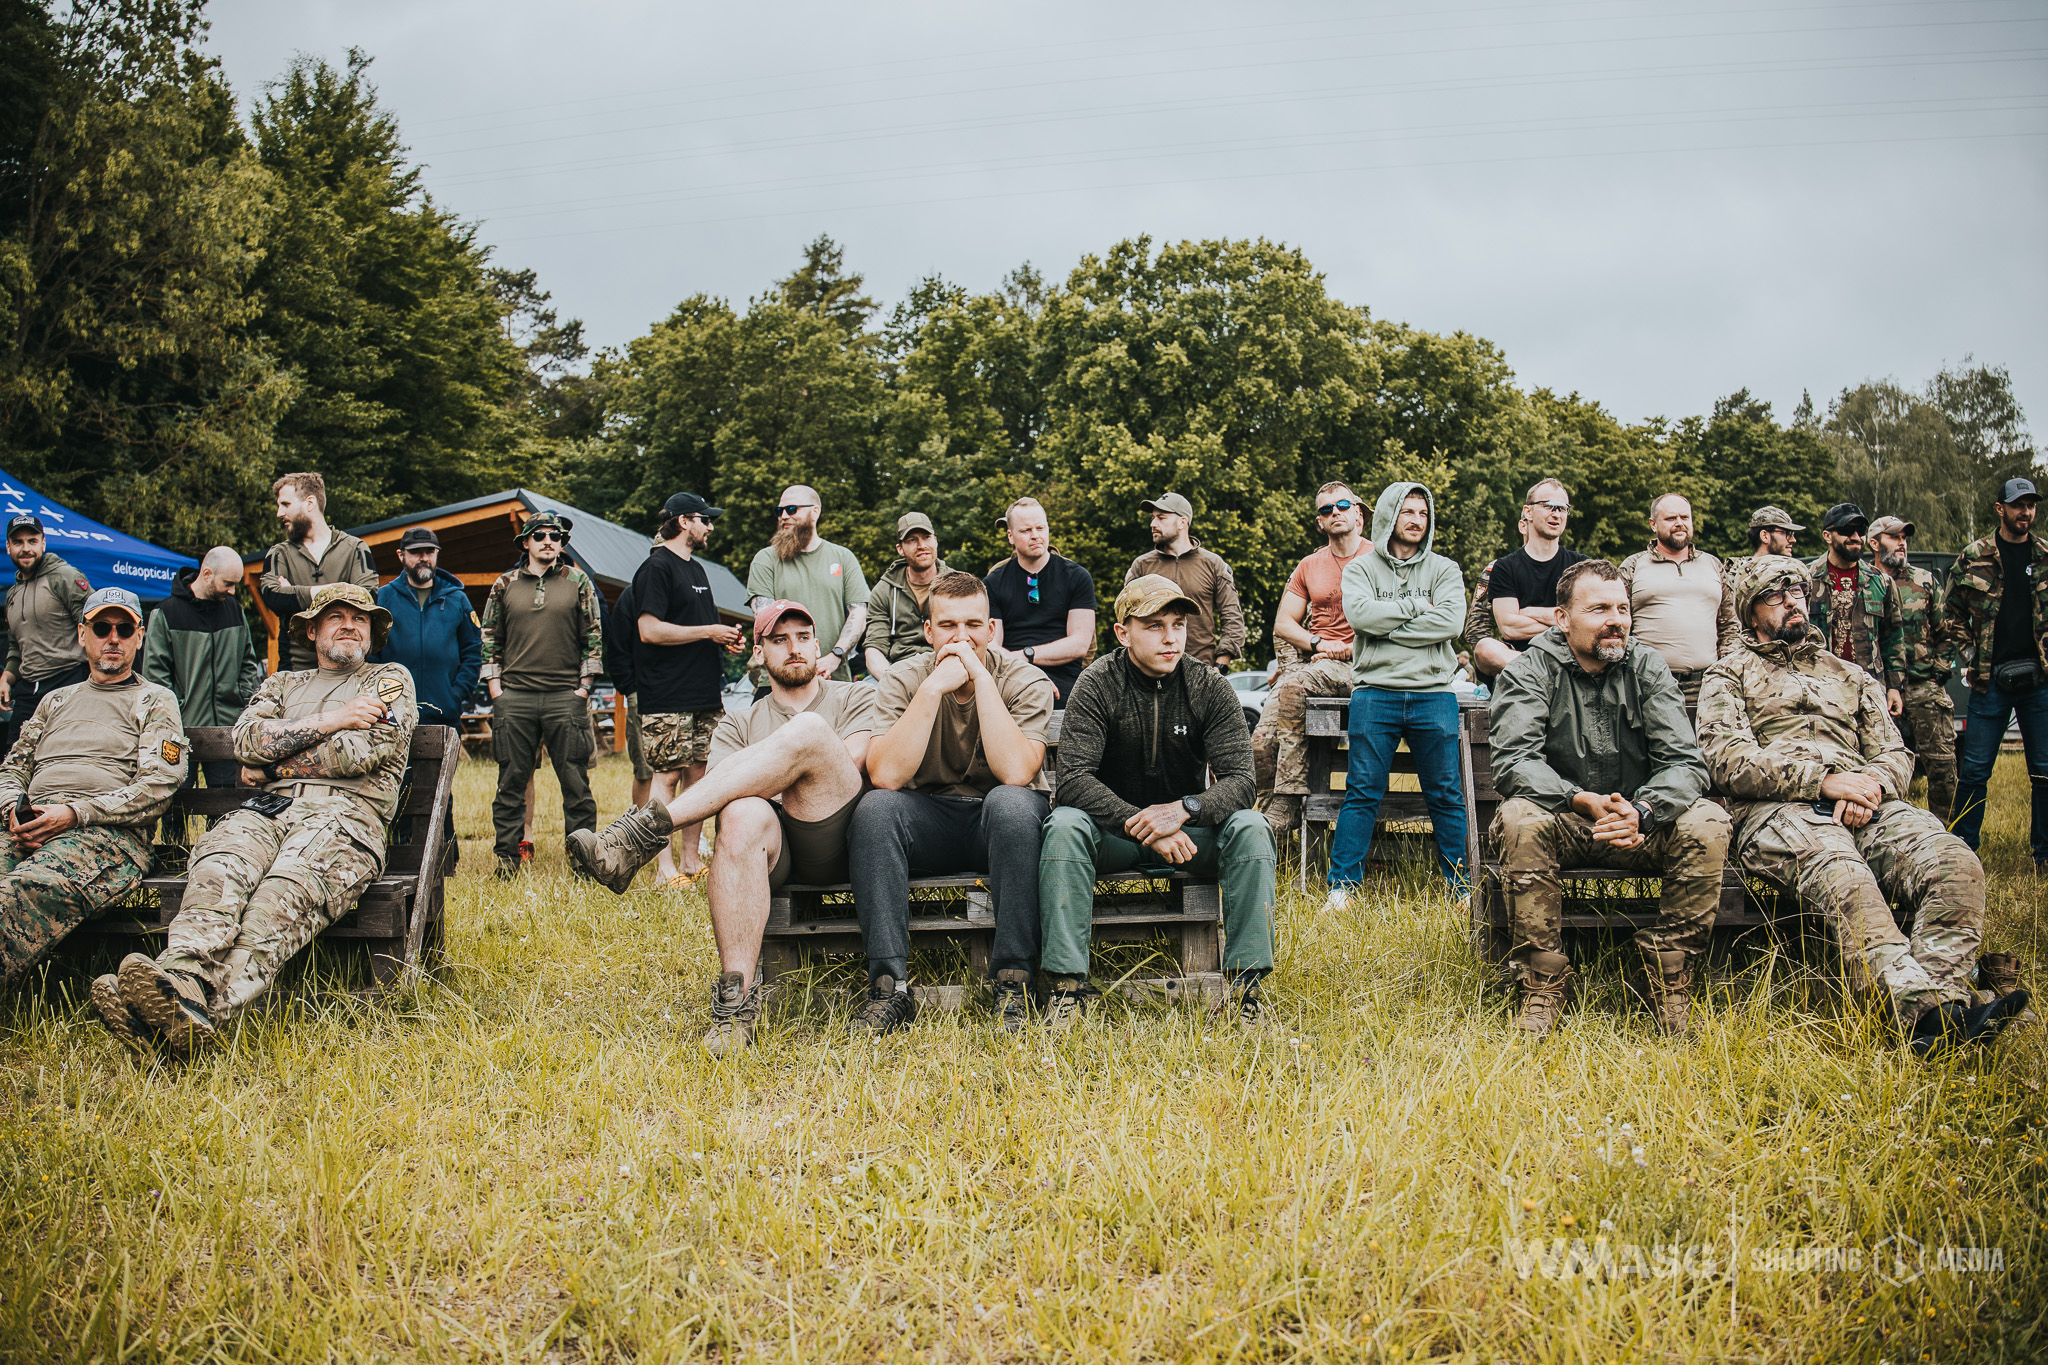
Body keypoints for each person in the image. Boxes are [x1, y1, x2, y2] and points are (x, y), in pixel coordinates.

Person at [1698, 557, 2030, 1058]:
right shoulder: (1728, 675)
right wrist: (1826, 782)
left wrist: (1868, 785)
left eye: (1799, 592)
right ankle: (1927, 1012)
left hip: (1871, 802)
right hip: (1779, 810)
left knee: (1956, 862)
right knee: (1845, 877)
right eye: (1777, 595)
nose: (1793, 602)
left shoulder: (1849, 674)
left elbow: (1895, 751)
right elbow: (1726, 761)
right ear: (1750, 612)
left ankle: (1941, 1012)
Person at [106, 584, 417, 1056]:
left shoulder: (388, 680)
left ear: (373, 631)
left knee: (278, 895)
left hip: (343, 819)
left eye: (361, 617)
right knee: (217, 868)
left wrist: (274, 765)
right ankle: (181, 979)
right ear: (312, 630)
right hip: (264, 813)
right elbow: (246, 742)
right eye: (336, 616)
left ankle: (197, 1013)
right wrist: (336, 719)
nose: (350, 624)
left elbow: (360, 752)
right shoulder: (282, 684)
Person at [570, 601, 876, 1054]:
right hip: (775, 850)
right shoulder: (738, 723)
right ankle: (736, 1002)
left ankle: (640, 835)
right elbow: (721, 798)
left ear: (816, 644)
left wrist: (770, 772)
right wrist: (758, 788)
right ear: (758, 653)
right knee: (738, 814)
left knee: (811, 732)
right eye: (779, 640)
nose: (795, 648)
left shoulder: (856, 696)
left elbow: (848, 762)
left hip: (839, 831)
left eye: (804, 637)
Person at [1488, 560, 1731, 1037]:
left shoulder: (1646, 664)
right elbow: (1515, 761)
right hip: (1566, 820)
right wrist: (1580, 799)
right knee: (1519, 818)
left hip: (1639, 821)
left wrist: (1643, 809)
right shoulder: (1532, 670)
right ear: (1562, 618)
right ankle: (1542, 982)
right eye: (1599, 608)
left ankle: (1666, 978)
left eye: (1622, 608)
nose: (1616, 619)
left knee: (1706, 821)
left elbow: (1684, 762)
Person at [1042, 575, 1274, 1028]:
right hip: (1113, 835)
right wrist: (1143, 825)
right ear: (1123, 632)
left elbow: (1242, 781)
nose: (1171, 638)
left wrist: (1184, 810)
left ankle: (1248, 991)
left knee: (1251, 826)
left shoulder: (1208, 685)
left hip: (1189, 836)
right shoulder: (1096, 684)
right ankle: (1067, 988)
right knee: (1065, 825)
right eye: (1154, 626)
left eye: (1179, 624)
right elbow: (1072, 781)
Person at [848, 571, 1057, 1036]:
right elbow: (884, 775)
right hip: (930, 819)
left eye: (973, 625)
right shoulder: (905, 678)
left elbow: (1017, 773)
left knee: (1012, 803)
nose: (961, 637)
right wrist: (931, 689)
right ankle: (889, 988)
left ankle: (1015, 981)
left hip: (1001, 822)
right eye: (947, 626)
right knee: (876, 810)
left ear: (991, 630)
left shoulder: (1025, 680)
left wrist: (981, 678)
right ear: (928, 632)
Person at [0, 587, 184, 996]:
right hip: (26, 828)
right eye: (102, 627)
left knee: (17, 893)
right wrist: (12, 807)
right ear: (83, 634)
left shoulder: (154, 699)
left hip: (107, 837)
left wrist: (74, 813)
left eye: (124, 628)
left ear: (140, 635)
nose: (112, 638)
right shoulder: (54, 700)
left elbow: (159, 785)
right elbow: (12, 768)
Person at [1326, 483, 1469, 908]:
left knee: (1445, 792)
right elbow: (1361, 616)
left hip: (1434, 694)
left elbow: (1451, 624)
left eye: (1423, 513)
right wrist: (1418, 610)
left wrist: (1389, 623)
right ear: (1390, 515)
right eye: (1407, 511)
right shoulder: (1360, 569)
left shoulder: (1445, 569)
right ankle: (1342, 887)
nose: (1416, 520)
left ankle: (1461, 887)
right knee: (1362, 790)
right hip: (1375, 693)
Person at [478, 511, 604, 878]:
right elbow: (489, 637)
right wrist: (495, 688)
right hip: (514, 697)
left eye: (555, 536)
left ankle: (584, 865)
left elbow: (593, 636)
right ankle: (506, 864)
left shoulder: (578, 581)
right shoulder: (505, 583)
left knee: (576, 784)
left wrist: (583, 688)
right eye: (540, 536)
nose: (549, 541)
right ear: (526, 543)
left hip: (566, 696)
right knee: (510, 784)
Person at [634, 493, 745, 887]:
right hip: (666, 695)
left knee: (700, 774)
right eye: (705, 519)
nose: (710, 526)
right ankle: (663, 870)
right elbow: (649, 630)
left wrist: (724, 638)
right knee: (667, 777)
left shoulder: (697, 569)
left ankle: (689, 863)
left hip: (703, 693)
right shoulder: (655, 567)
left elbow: (699, 627)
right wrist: (709, 630)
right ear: (684, 521)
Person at [1253, 482, 1369, 839]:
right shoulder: (1310, 565)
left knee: (1294, 686)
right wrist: (1318, 641)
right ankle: (1265, 830)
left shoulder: (1380, 560)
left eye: (1343, 505)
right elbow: (1284, 623)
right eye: (1325, 509)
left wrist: (1349, 647)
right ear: (1320, 522)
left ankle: (1287, 802)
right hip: (1316, 664)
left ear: (1358, 515)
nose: (1334, 512)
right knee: (1259, 742)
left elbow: (1395, 620)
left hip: (1363, 664)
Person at [1943, 477, 2048, 865]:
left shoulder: (2045, 556)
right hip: (1989, 681)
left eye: (2032, 504)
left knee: (2045, 772)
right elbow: (1949, 611)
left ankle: (2045, 855)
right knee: (1973, 771)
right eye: (2019, 504)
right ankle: (1962, 853)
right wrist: (1969, 651)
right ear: (2000, 509)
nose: (2026, 512)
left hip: (2040, 682)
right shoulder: (1973, 557)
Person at [372, 526, 480, 859]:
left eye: (429, 551)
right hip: (393, 714)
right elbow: (373, 654)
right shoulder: (383, 598)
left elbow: (473, 653)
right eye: (417, 551)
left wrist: (455, 695)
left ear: (437, 555)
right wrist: (381, 701)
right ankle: (401, 855)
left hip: (441, 712)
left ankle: (445, 858)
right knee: (397, 788)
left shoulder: (457, 599)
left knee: (439, 790)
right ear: (401, 556)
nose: (424, 557)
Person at [140, 547, 261, 791]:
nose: (233, 591)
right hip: (179, 727)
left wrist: (243, 699)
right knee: (176, 797)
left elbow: (248, 662)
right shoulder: (166, 613)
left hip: (227, 725)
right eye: (228, 583)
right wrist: (176, 709)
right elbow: (155, 673)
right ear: (207, 574)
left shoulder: (234, 610)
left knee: (225, 798)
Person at [1869, 515, 1957, 823]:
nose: (1902, 542)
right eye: (1894, 537)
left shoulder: (1924, 581)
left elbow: (1947, 633)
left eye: (1905, 536)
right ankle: (1890, 832)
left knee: (1942, 766)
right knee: (1884, 766)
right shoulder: (1865, 584)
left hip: (1923, 688)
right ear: (1874, 543)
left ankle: (1946, 832)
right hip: (1879, 691)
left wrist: (1937, 675)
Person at [1615, 494, 1738, 704]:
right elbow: (1617, 622)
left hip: (1710, 685)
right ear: (1653, 524)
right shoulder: (1633, 566)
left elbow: (1730, 624)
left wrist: (1725, 668)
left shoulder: (1713, 565)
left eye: (1685, 517)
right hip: (1650, 684)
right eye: (1671, 518)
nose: (1679, 523)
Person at [745, 485, 868, 682]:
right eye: (779, 511)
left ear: (815, 511)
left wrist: (835, 656)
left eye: (792, 509)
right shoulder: (765, 559)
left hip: (832, 677)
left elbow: (859, 613)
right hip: (779, 680)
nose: (784, 515)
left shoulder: (843, 557)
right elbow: (765, 619)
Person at [258, 473, 378, 672]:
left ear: (310, 502)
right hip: (295, 671)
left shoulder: (356, 548)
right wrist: (340, 589)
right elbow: (273, 597)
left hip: (347, 668)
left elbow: (367, 597)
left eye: (285, 504)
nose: (279, 513)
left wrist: (296, 593)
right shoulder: (279, 553)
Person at [983, 497, 1096, 704]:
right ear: (1011, 536)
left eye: (1040, 528)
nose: (1035, 536)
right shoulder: (993, 582)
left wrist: (1026, 655)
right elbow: (991, 644)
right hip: (1010, 674)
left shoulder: (1077, 576)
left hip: (1065, 679)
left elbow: (1079, 643)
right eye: (1026, 531)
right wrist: (1025, 671)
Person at [1472, 481, 1586, 680]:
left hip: (1570, 657)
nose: (1556, 514)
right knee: (1485, 649)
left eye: (1563, 508)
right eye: (1548, 506)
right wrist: (1564, 622)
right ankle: (1543, 674)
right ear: (1528, 512)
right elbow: (1509, 628)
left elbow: (1584, 622)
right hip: (1520, 659)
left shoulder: (1582, 566)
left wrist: (1529, 612)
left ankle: (1547, 674)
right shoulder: (1503, 567)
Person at [1123, 491, 1247, 672]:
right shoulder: (1141, 565)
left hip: (1200, 669)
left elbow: (1232, 617)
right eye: (1153, 518)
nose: (1153, 524)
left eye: (1161, 518)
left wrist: (1221, 664)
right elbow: (1126, 619)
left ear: (1182, 522)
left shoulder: (1213, 564)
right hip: (1150, 671)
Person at [2, 513, 91, 755]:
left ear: (43, 543)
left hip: (68, 684)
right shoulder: (12, 594)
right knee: (14, 762)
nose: (26, 548)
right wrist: (7, 677)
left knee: (64, 758)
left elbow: (96, 629)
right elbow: (15, 646)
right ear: (8, 547)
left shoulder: (65, 577)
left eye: (32, 541)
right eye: (18, 543)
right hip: (28, 691)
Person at [1806, 502, 1904, 716]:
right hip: (1820, 690)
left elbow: (1893, 638)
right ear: (1827, 536)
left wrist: (1895, 687)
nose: (1856, 537)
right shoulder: (1806, 580)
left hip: (1869, 688)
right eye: (1847, 531)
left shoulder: (1881, 582)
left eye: (1860, 531)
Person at [864, 512, 953, 678]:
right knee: (864, 695)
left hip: (947, 666)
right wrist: (892, 680)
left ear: (935, 541)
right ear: (900, 549)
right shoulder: (884, 591)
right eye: (912, 540)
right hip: (897, 670)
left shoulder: (957, 585)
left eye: (926, 537)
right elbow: (874, 648)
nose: (921, 545)